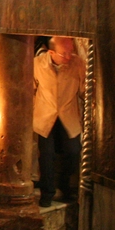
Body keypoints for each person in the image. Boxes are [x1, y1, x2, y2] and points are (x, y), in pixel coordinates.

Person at [33, 36, 85, 207]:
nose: (68, 57)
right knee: (46, 156)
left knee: (73, 152)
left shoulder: (78, 64)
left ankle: (66, 186)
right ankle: (47, 193)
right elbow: (30, 88)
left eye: (70, 52)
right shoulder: (37, 64)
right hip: (45, 116)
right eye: (64, 54)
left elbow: (85, 90)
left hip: (68, 116)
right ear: (51, 52)